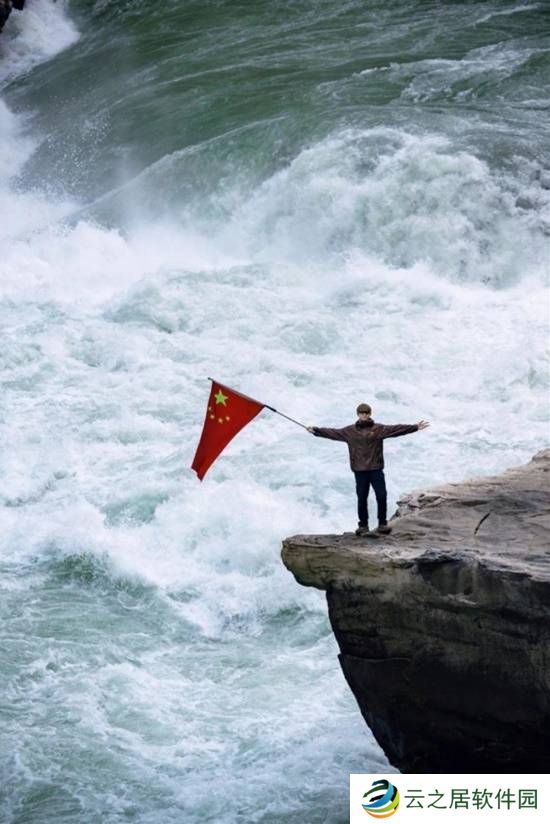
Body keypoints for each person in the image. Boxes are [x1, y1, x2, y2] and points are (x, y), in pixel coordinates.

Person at [307, 404, 429, 537]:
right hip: (360, 471)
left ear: (370, 414)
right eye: (362, 413)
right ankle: (363, 526)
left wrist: (415, 427)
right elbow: (332, 433)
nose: (364, 415)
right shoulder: (349, 431)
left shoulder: (379, 429)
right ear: (358, 414)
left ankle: (382, 524)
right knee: (362, 498)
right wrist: (316, 431)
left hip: (376, 469)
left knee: (381, 496)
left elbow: (397, 429)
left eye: (367, 413)